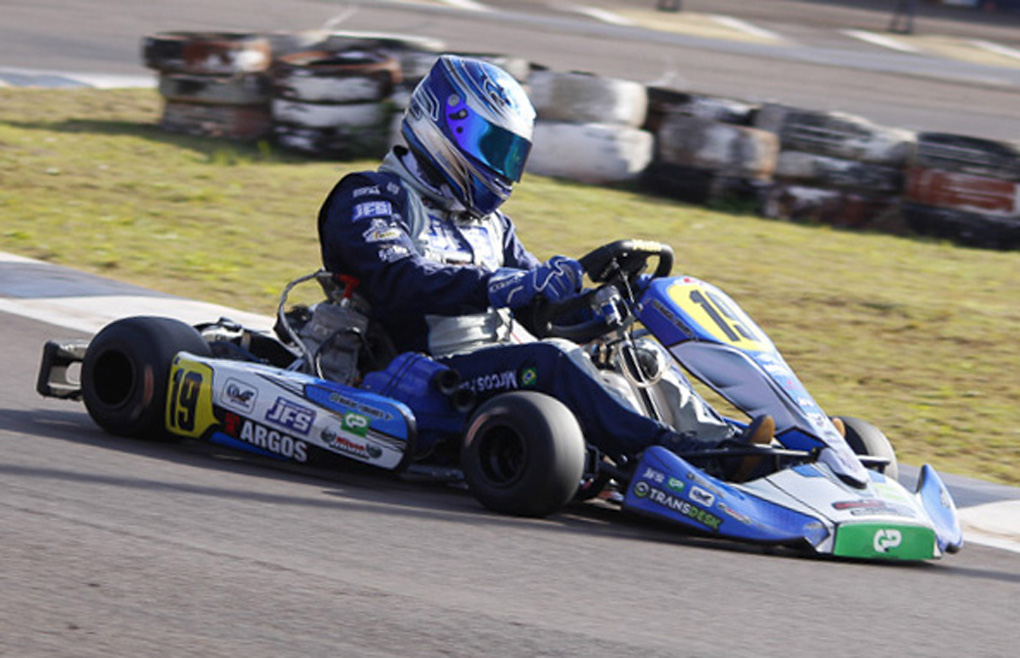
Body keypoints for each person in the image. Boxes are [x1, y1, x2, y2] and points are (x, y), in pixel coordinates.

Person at [317, 55, 772, 475]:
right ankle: (674, 456)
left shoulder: (491, 225)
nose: (502, 164)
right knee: (551, 360)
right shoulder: (369, 197)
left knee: (636, 354)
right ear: (446, 124)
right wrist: (504, 286)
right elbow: (400, 281)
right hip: (424, 373)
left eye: (511, 152)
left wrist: (601, 304)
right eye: (492, 145)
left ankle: (724, 444)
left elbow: (541, 306)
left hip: (495, 367)